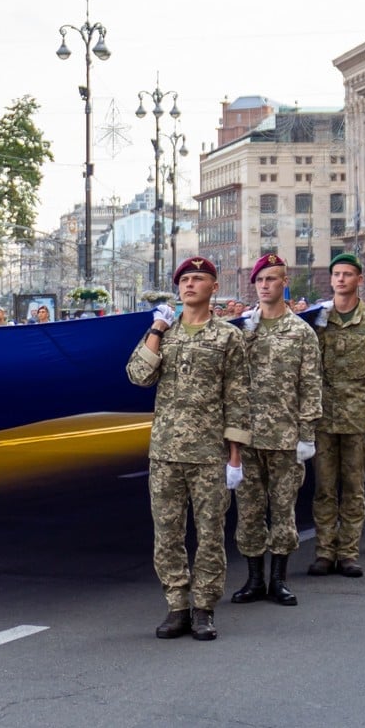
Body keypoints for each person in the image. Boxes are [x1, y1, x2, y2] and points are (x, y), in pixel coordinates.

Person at [127, 257, 250, 642]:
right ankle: (177, 605)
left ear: (214, 288)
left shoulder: (227, 337)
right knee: (167, 534)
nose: (189, 285)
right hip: (165, 452)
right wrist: (157, 329)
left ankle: (204, 608)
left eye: (198, 279)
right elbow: (138, 375)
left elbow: (239, 397)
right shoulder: (164, 332)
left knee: (211, 534)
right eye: (184, 280)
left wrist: (235, 456)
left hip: (209, 454)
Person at [229, 254, 320, 608]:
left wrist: (307, 434)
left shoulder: (301, 332)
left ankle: (279, 580)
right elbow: (232, 384)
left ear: (285, 283)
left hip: (285, 438)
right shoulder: (242, 331)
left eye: (272, 279)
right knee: (249, 510)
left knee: (283, 510)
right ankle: (254, 579)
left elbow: (311, 385)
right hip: (249, 439)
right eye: (260, 280)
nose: (265, 285)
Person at [310, 253, 365, 578]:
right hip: (323, 417)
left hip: (358, 417)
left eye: (348, 274)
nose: (341, 279)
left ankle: (348, 553)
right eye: (337, 274)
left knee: (354, 488)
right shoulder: (318, 320)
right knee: (324, 488)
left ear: (360, 280)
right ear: (331, 280)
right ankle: (324, 551)